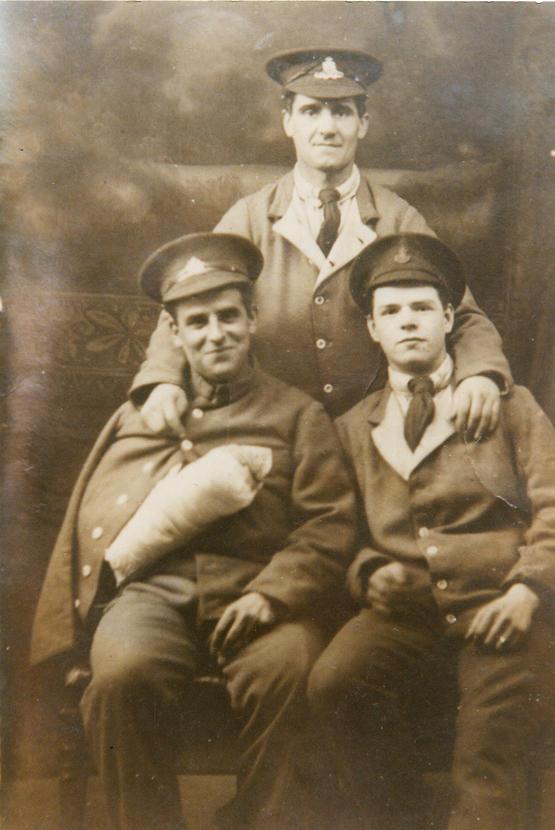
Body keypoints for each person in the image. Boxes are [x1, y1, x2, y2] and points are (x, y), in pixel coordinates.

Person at [30, 233, 357, 830]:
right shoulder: (145, 413)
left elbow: (328, 523)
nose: (216, 335)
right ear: (174, 334)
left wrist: (271, 594)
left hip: (263, 594)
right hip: (155, 595)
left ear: (253, 319)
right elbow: (97, 521)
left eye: (229, 316)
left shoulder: (298, 414)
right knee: (121, 676)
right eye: (198, 322)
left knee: (290, 671)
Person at [307, 233, 555, 830]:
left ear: (449, 317)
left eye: (421, 307)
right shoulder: (350, 427)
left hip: (502, 605)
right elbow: (336, 536)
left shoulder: (510, 405)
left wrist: (528, 592)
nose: (407, 322)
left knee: (485, 753)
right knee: (331, 686)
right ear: (371, 328)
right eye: (390, 312)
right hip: (407, 610)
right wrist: (369, 572)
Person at [132, 47, 510, 433]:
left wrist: (480, 374)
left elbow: (461, 314)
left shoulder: (398, 218)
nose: (327, 128)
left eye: (342, 112)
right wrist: (163, 380)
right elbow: (183, 306)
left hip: (374, 433)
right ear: (288, 122)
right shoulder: (248, 218)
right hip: (271, 427)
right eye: (312, 111)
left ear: (362, 123)